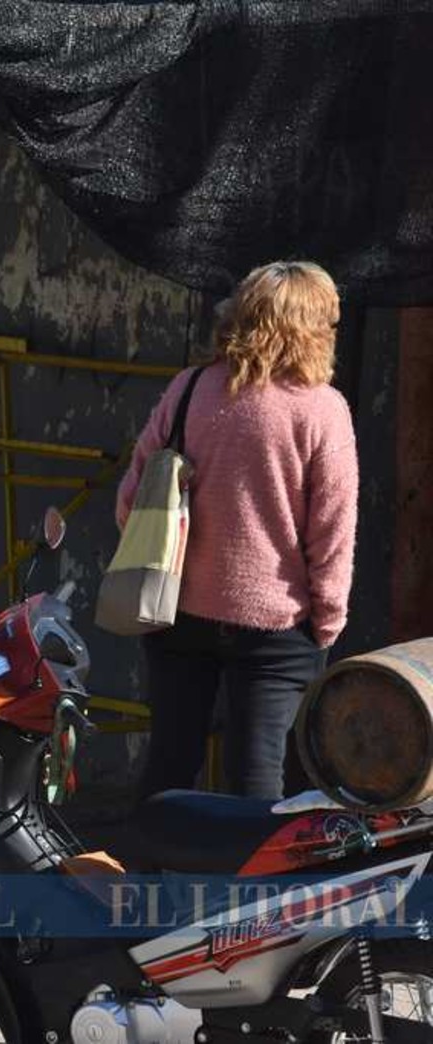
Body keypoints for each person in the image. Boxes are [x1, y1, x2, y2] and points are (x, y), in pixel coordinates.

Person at [120, 260, 358, 803]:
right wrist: (328, 621)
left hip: (175, 610)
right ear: (312, 329)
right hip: (277, 627)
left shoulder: (190, 389)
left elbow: (131, 502)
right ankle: (243, 890)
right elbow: (332, 531)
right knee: (257, 779)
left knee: (169, 767)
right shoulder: (323, 411)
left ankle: (149, 883)